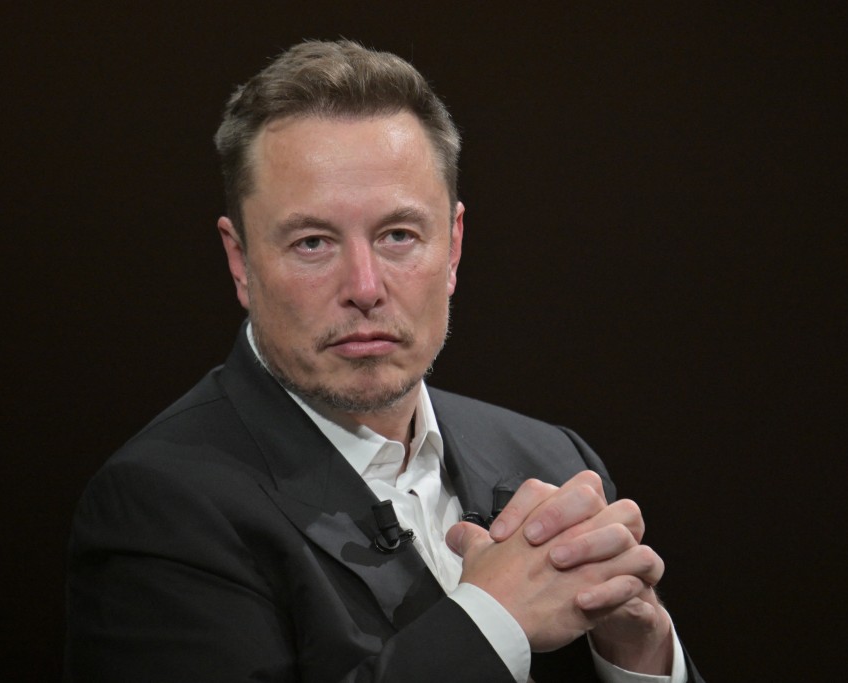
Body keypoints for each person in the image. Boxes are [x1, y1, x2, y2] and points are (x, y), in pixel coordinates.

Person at [65, 40, 704, 682]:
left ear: (453, 248)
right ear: (241, 261)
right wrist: (491, 619)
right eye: (312, 242)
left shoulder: (554, 462)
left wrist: (640, 657)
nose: (365, 286)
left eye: (398, 235)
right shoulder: (160, 507)